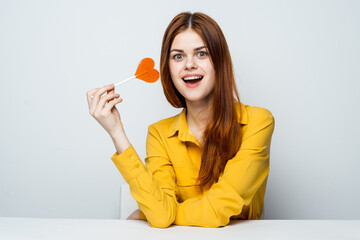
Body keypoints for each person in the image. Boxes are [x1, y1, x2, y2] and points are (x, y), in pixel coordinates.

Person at [86, 12, 275, 228]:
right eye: (178, 56)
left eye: (201, 54)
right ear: (168, 68)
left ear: (220, 60)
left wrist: (156, 212)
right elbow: (160, 216)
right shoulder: (158, 134)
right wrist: (116, 132)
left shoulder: (258, 122)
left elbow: (214, 210)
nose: (189, 65)